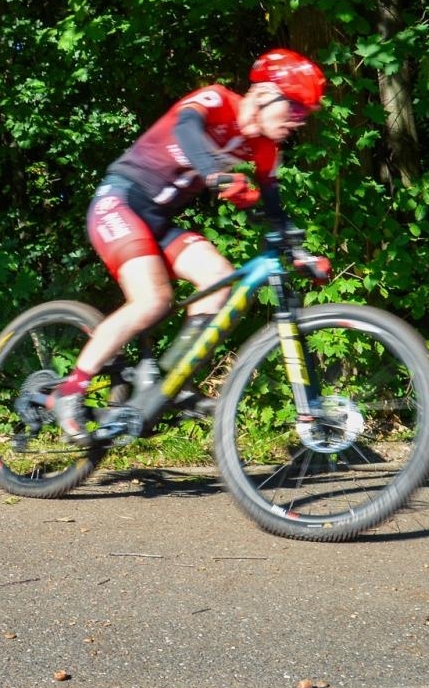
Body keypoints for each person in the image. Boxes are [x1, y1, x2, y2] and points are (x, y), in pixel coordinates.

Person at [49, 49, 327, 443]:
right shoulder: (217, 100)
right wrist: (215, 174)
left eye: (304, 116)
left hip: (159, 222)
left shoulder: (265, 149)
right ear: (265, 95)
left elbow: (274, 208)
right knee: (152, 300)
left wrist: (299, 252)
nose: (298, 121)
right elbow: (186, 129)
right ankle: (70, 389)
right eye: (296, 109)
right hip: (120, 200)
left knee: (220, 279)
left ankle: (169, 380)